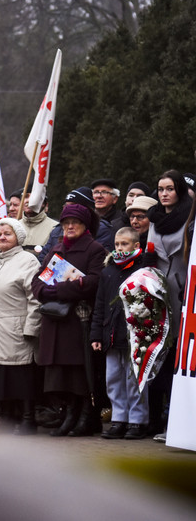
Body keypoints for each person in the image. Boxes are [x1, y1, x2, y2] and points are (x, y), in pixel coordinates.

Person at [31, 204, 106, 437]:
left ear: (85, 226)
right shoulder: (57, 249)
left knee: (79, 372)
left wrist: (58, 290)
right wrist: (55, 291)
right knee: (60, 373)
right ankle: (69, 414)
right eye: (65, 223)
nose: (69, 227)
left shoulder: (95, 249)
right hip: (55, 320)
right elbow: (38, 284)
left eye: (75, 223)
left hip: (78, 320)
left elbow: (94, 282)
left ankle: (85, 416)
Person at [0, 218, 42, 435]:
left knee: (20, 377)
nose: (2, 237)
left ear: (18, 237)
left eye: (7, 233)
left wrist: (32, 328)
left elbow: (35, 298)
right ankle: (5, 420)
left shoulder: (28, 261)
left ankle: (27, 419)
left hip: (17, 329)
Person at [145, 170, 194, 441]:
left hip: (183, 293)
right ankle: (156, 421)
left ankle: (175, 423)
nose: (164, 193)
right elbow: (150, 253)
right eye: (160, 188)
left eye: (169, 188)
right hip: (157, 293)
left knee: (179, 359)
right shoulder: (155, 219)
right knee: (158, 359)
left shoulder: (190, 217)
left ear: (180, 191)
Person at [90, 227, 148, 440]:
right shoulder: (108, 271)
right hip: (111, 334)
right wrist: (96, 334)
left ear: (136, 246)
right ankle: (119, 419)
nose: (120, 248)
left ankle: (137, 421)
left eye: (125, 244)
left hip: (135, 335)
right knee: (113, 379)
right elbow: (100, 304)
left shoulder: (143, 271)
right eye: (116, 245)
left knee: (134, 379)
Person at [91, 178, 122, 248]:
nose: (99, 196)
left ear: (115, 199)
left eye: (104, 192)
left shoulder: (121, 220)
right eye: (96, 192)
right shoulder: (86, 219)